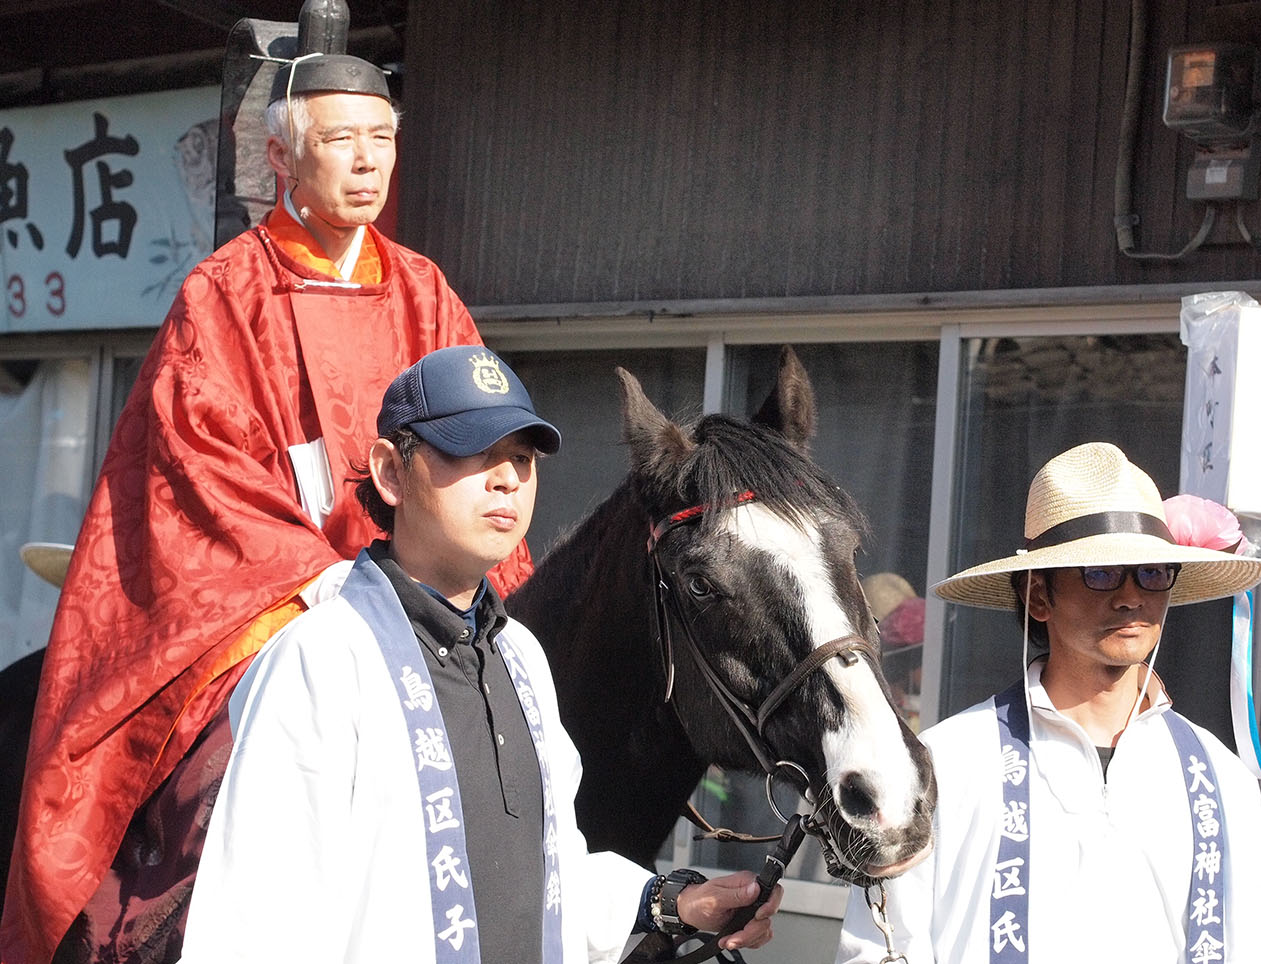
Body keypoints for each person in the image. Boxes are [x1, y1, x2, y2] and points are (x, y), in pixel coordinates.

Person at [2, 52, 532, 964]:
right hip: (280, 603)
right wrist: (329, 586)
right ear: (285, 160)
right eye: (340, 141)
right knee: (205, 775)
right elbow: (197, 468)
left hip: (420, 596)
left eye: (382, 141)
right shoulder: (221, 292)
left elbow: (486, 442)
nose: (367, 162)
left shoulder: (424, 291)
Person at [179, 345, 783, 962]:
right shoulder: (322, 656)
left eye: (522, 459)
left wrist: (674, 901)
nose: (508, 479)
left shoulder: (520, 655)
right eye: (474, 451)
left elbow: (545, 879)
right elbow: (252, 920)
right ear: (390, 472)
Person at [836, 441, 1261, 964]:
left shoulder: (1219, 774)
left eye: (1151, 572)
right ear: (1038, 596)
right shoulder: (946, 763)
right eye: (1100, 573)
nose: (1131, 597)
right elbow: (882, 949)